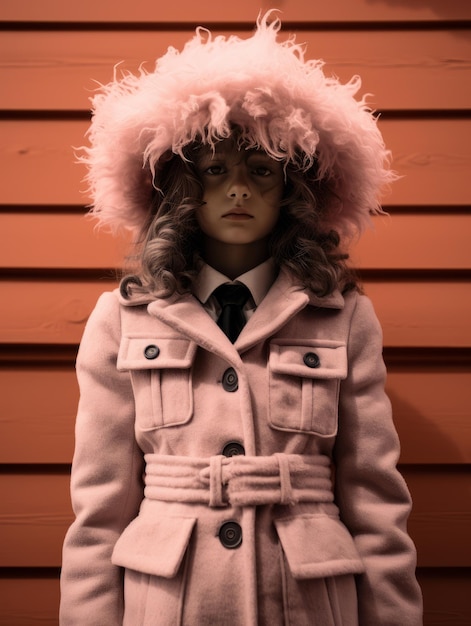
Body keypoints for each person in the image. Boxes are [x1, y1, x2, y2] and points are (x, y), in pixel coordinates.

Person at [60, 12, 423, 625]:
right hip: (169, 604)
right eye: (214, 170)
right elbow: (98, 512)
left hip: (306, 604)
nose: (237, 190)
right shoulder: (124, 319)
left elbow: (375, 502)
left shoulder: (343, 317)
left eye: (261, 170)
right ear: (181, 186)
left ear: (292, 189)